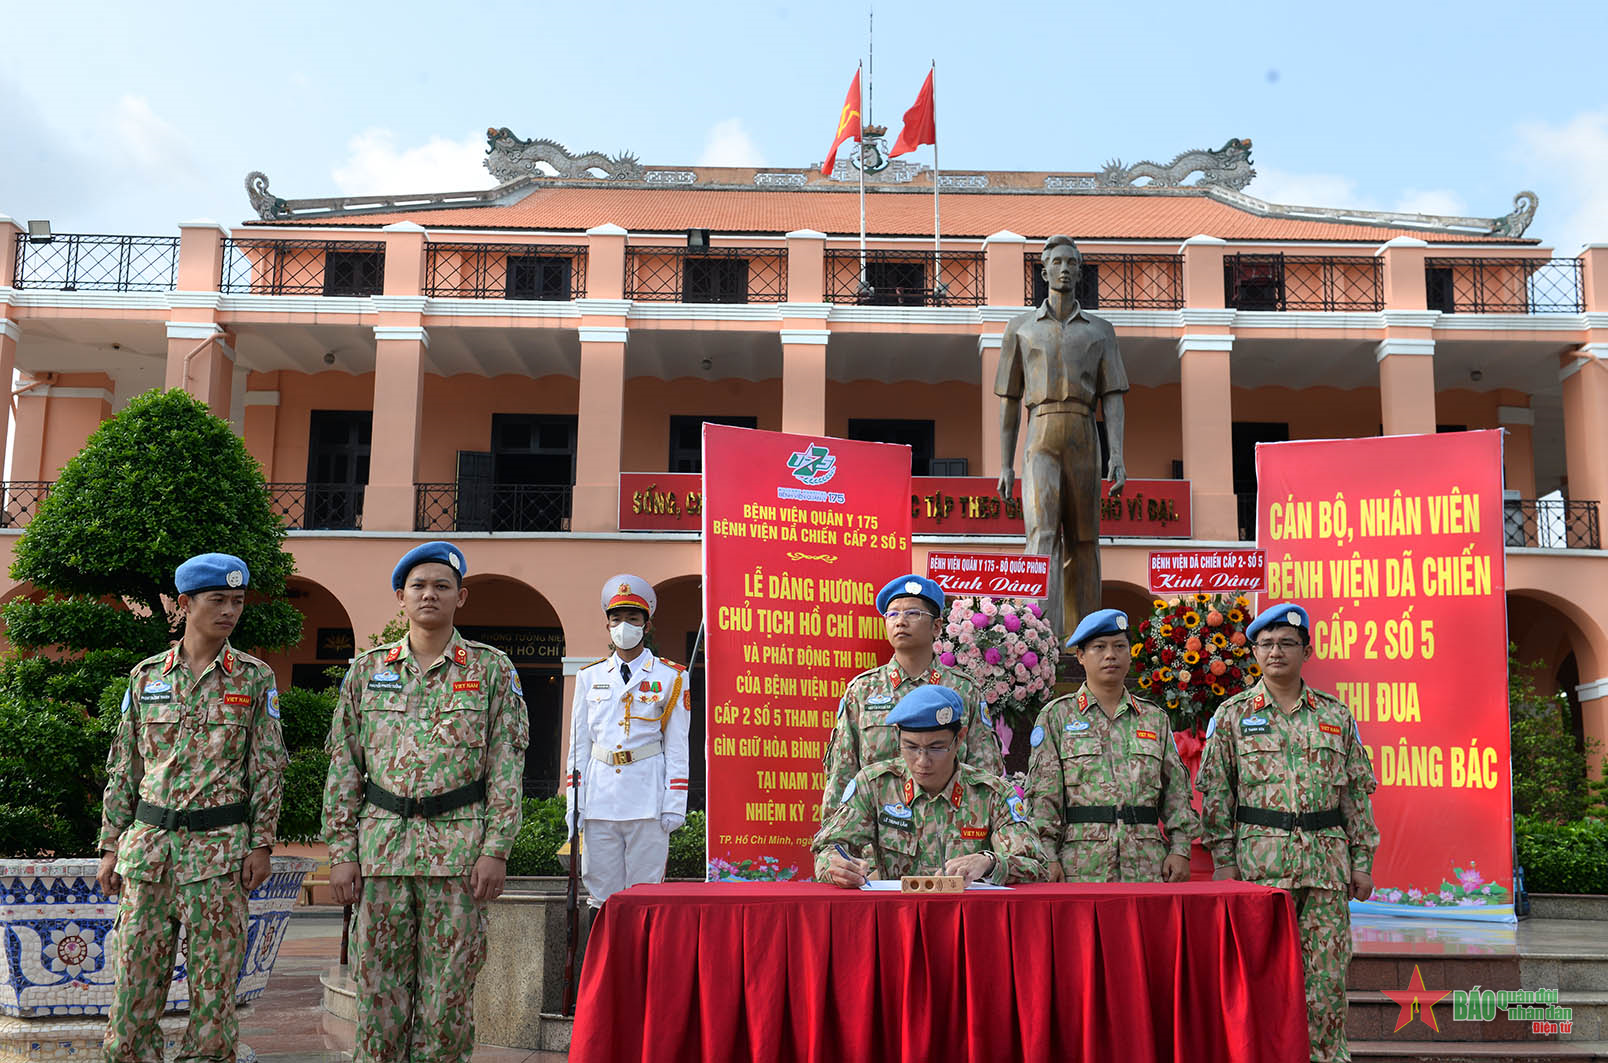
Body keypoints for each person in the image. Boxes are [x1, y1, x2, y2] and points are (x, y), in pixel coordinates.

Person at [322, 541, 529, 1063]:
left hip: (459, 855)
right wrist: (342, 853)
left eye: (442, 586)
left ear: (462, 597)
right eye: (419, 586)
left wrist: (497, 848)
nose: (429, 594)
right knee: (378, 994)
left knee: (449, 997)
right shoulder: (367, 672)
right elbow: (344, 767)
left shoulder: (491, 670)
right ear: (400, 596)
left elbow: (506, 764)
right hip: (381, 854)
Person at [98, 552, 287, 1063]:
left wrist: (262, 842)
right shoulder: (145, 678)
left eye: (238, 601)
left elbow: (267, 767)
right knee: (135, 984)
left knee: (215, 989)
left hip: (220, 856)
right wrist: (110, 846)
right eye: (217, 599)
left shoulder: (253, 678)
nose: (229, 610)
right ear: (184, 604)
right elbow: (125, 768)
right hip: (148, 855)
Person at [1196, 602, 1379, 1063]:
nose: (1275, 652)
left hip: (1325, 869)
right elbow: (1217, 795)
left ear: (1307, 650)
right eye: (1266, 644)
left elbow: (1355, 794)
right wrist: (1224, 863)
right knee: (1259, 976)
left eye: (1286, 643)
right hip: (1259, 870)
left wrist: (1362, 862)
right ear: (1254, 652)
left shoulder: (1336, 716)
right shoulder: (1234, 715)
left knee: (1326, 978)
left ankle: (1326, 1057)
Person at [996, 235, 1128, 638]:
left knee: (1085, 538)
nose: (1065, 268)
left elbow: (1113, 397)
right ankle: (1036, 636)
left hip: (1085, 431)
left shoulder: (1101, 331)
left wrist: (1117, 454)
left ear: (1080, 271)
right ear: (1044, 271)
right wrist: (1004, 462)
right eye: (1057, 262)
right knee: (1042, 533)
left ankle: (1084, 637)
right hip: (1041, 431)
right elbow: (1009, 400)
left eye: (1072, 262)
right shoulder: (1020, 329)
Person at [1025, 608, 1196, 882]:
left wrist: (1180, 849)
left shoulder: (1154, 718)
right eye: (1099, 647)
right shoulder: (1057, 717)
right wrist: (1047, 855)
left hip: (1147, 865)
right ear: (1080, 656)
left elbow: (1176, 792)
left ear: (1130, 653)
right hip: (1080, 867)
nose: (1110, 655)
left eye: (1119, 646)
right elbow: (1044, 797)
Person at [814, 686, 1047, 886]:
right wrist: (836, 866)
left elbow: (1035, 866)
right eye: (911, 747)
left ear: (960, 739)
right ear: (897, 737)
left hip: (969, 921)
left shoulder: (992, 794)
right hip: (897, 921)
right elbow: (829, 848)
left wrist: (988, 863)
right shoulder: (875, 786)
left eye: (936, 748)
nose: (922, 761)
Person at [821, 574, 1001, 819]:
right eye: (892, 614)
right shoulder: (863, 691)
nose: (900, 622)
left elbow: (985, 771)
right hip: (877, 834)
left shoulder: (964, 690)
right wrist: (836, 840)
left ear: (936, 627)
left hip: (948, 833)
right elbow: (842, 773)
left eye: (912, 614)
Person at [566, 573, 692, 907]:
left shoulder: (672, 677)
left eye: (633, 619)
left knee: (646, 893)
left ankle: (642, 960)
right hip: (599, 798)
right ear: (607, 625)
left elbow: (678, 744)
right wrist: (573, 803)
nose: (624, 626)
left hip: (647, 798)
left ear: (646, 626)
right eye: (617, 618)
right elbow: (578, 746)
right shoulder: (588, 676)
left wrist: (674, 802)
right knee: (600, 894)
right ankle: (603, 960)